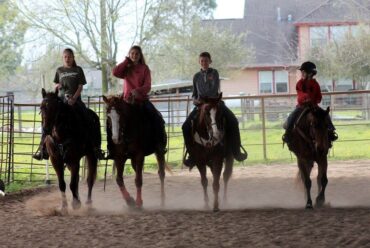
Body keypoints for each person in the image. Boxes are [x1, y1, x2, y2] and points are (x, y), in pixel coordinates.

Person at [33, 48, 104, 160]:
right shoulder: (59, 70)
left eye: (69, 56)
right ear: (63, 58)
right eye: (65, 57)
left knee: (91, 117)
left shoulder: (78, 69)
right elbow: (55, 85)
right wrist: (57, 86)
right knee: (48, 121)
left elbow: (80, 86)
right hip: (61, 102)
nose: (67, 59)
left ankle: (95, 147)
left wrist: (74, 98)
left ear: (73, 58)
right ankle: (43, 148)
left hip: (76, 101)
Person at [182, 52, 247, 168]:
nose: (204, 63)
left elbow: (214, 90)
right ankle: (191, 155)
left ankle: (236, 151)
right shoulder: (196, 76)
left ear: (210, 61)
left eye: (206, 60)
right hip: (200, 106)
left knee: (233, 121)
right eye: (202, 61)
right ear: (199, 62)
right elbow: (194, 94)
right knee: (185, 126)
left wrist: (204, 99)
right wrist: (195, 100)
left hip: (215, 103)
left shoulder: (214, 73)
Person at [109, 45, 166, 159]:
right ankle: (111, 149)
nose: (134, 56)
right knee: (112, 120)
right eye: (132, 54)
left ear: (140, 56)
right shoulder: (126, 68)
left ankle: (159, 145)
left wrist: (137, 91)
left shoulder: (145, 68)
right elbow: (115, 72)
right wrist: (126, 61)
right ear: (129, 55)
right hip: (126, 102)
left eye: (137, 54)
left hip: (141, 101)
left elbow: (148, 86)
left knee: (157, 118)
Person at [282, 61, 338, 146]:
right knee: (292, 116)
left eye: (303, 72)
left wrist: (314, 101)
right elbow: (300, 95)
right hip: (301, 106)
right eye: (302, 72)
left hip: (313, 106)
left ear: (310, 73)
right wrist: (307, 99)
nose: (302, 73)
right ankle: (288, 134)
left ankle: (331, 132)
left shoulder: (315, 84)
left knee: (325, 115)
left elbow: (319, 96)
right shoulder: (299, 83)